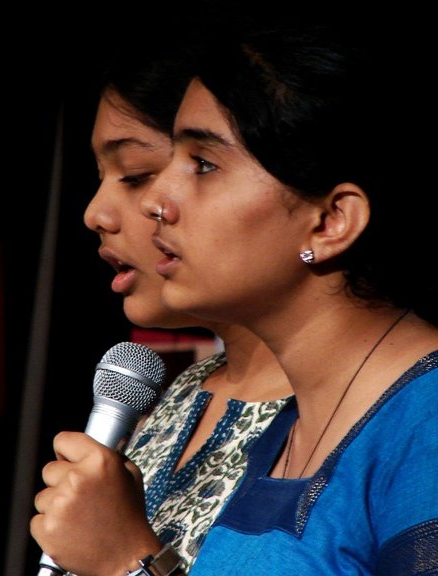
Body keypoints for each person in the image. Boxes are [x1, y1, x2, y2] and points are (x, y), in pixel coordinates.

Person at [136, 19, 438, 575]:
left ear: (331, 222)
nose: (154, 199)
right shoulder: (294, 416)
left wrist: (127, 563)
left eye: (203, 164)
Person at [29, 31, 292, 576]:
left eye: (136, 174)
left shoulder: (369, 411)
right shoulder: (183, 391)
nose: (96, 213)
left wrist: (129, 562)